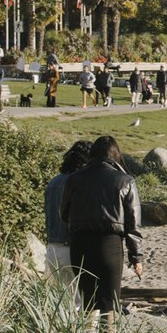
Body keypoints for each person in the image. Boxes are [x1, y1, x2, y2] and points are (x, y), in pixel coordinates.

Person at [58, 135, 142, 317]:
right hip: (109, 245)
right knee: (109, 303)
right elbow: (133, 225)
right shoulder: (125, 181)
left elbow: (64, 213)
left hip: (80, 245)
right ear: (115, 155)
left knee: (87, 301)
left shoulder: (74, 179)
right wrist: (136, 257)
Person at [42, 139, 92, 288]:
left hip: (52, 247)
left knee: (61, 303)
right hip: (73, 248)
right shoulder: (81, 183)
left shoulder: (53, 182)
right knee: (83, 303)